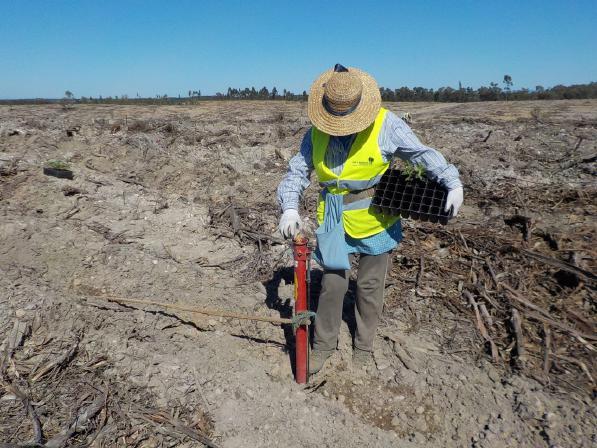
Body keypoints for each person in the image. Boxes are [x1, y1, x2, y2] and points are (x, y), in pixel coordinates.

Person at [277, 64, 463, 374]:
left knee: (369, 286)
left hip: (375, 214)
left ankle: (362, 346)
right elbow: (297, 171)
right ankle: (324, 345)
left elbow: (419, 153)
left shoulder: (387, 124)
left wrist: (451, 181)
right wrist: (290, 207)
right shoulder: (315, 133)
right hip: (333, 215)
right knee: (333, 285)